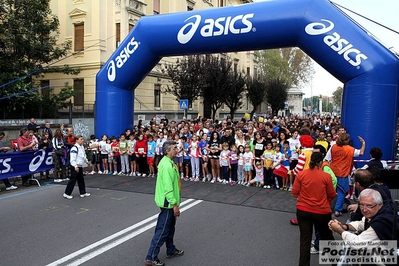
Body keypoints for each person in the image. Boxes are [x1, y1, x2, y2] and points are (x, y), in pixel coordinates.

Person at [291, 152, 336, 266]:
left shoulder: (301, 174)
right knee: (327, 237)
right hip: (322, 211)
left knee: (305, 240)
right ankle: (335, 263)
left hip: (303, 209)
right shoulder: (326, 176)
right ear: (321, 162)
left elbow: (294, 192)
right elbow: (332, 194)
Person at [144, 140, 184, 266]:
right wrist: (174, 204)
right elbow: (168, 188)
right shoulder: (166, 165)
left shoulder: (169, 162)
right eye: (174, 148)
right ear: (167, 151)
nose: (176, 150)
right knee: (162, 230)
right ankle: (151, 257)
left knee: (170, 228)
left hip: (171, 202)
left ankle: (171, 250)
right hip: (168, 203)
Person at [328, 189, 397, 261]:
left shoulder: (381, 223)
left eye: (369, 206)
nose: (364, 209)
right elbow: (362, 223)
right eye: (361, 205)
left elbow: (357, 243)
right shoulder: (377, 212)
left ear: (380, 205)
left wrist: (339, 229)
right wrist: (345, 226)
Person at [330, 133, 365, 217]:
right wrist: (363, 143)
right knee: (341, 192)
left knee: (329, 192)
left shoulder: (333, 147)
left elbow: (328, 158)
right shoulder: (349, 149)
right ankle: (338, 210)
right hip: (343, 173)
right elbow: (361, 152)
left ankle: (327, 208)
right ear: (347, 140)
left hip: (332, 172)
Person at [63, 135, 91, 199]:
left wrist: (87, 161)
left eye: (82, 139)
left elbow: (83, 156)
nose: (82, 140)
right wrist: (75, 166)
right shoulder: (74, 148)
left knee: (81, 179)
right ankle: (67, 193)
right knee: (73, 179)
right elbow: (72, 159)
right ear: (77, 140)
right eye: (81, 139)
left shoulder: (82, 147)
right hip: (75, 166)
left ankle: (83, 192)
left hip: (80, 166)